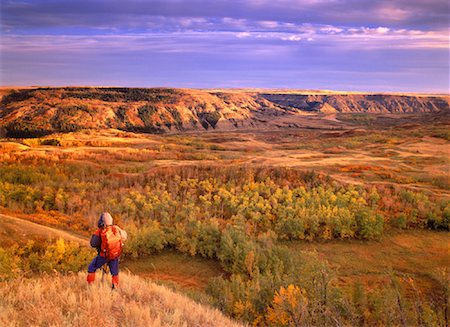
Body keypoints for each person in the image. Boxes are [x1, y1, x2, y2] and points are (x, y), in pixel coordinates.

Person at [87, 212, 127, 289]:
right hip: (115, 255)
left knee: (91, 268)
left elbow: (93, 244)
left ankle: (90, 286)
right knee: (115, 273)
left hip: (103, 256)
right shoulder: (116, 229)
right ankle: (115, 288)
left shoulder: (100, 231)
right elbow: (124, 237)